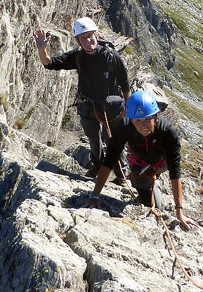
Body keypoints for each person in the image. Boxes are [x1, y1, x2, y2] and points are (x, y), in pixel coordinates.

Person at [34, 17, 131, 181]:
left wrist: (128, 108)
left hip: (111, 108)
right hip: (88, 106)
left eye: (90, 36)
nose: (88, 41)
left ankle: (122, 173)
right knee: (93, 138)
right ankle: (97, 165)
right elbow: (49, 64)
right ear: (78, 41)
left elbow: (125, 83)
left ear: (97, 35)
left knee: (113, 141)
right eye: (83, 38)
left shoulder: (111, 57)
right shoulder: (77, 56)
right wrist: (42, 49)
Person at [88, 90, 199, 230]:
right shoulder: (124, 127)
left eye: (147, 119)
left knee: (151, 189)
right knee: (149, 205)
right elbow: (109, 160)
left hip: (161, 163)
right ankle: (148, 187)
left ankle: (154, 178)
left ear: (155, 116)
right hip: (139, 163)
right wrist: (95, 195)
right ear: (131, 120)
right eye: (138, 121)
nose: (143, 125)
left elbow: (175, 170)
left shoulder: (167, 132)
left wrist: (179, 212)